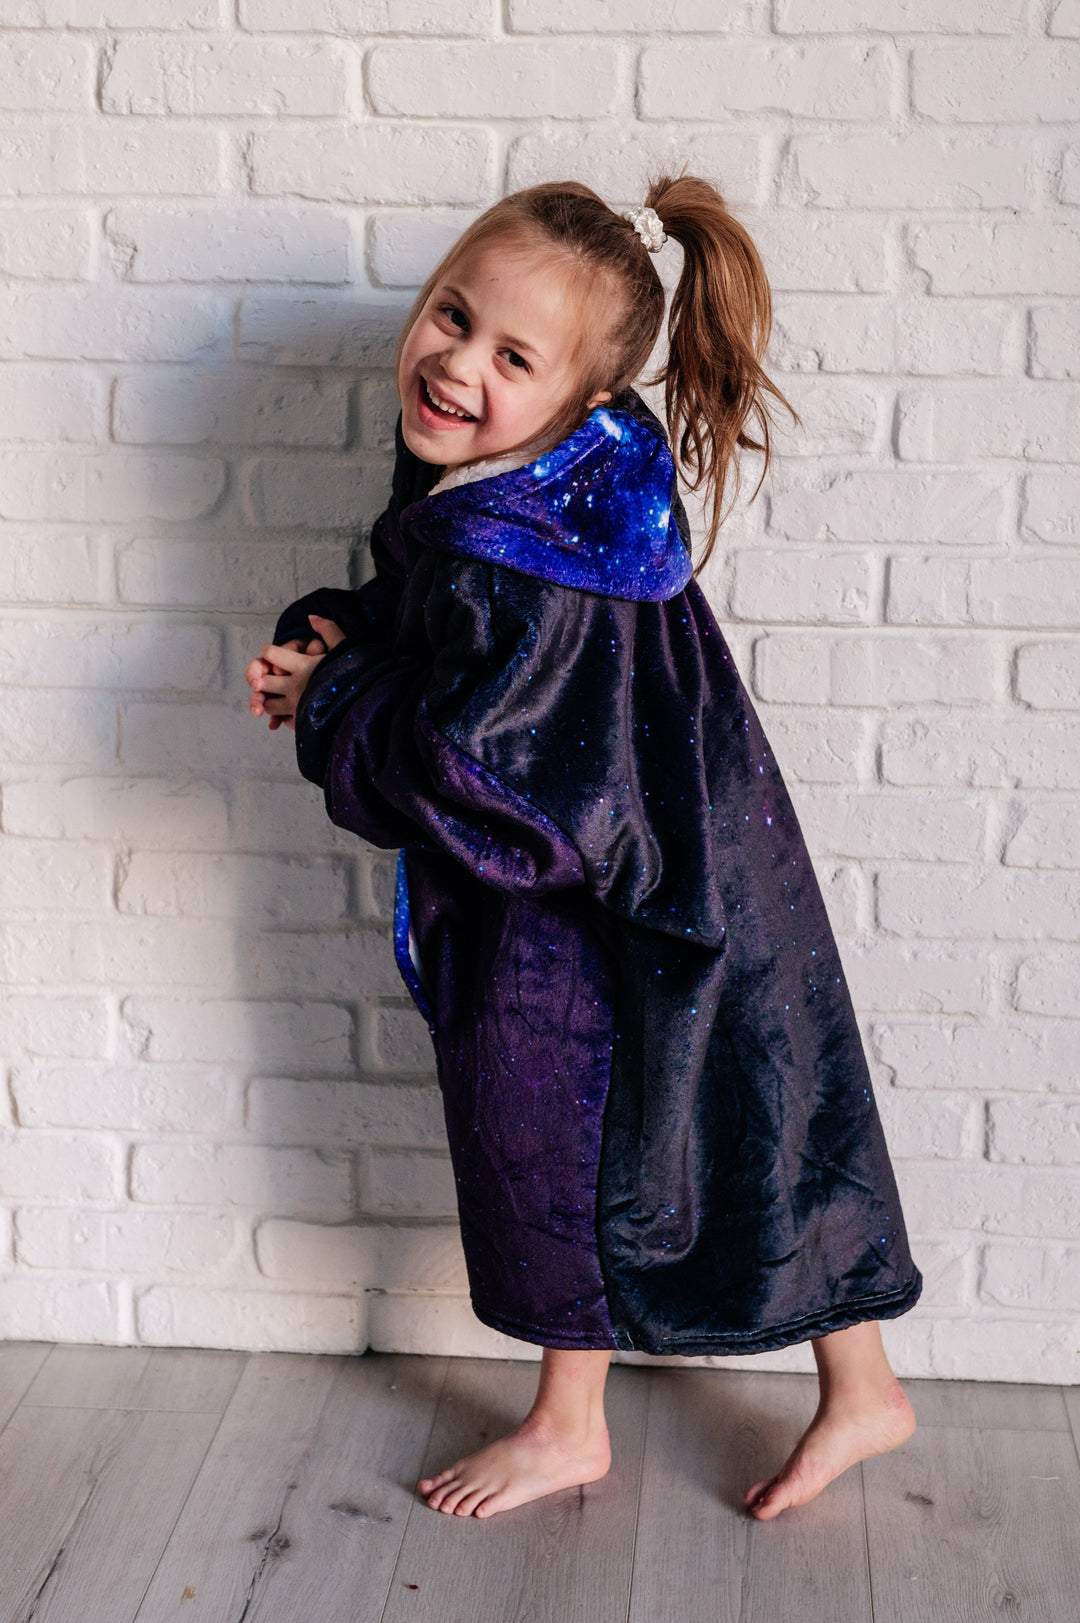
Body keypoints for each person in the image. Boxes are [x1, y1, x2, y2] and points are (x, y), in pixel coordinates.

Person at [245, 176, 922, 1523]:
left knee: (556, 1136)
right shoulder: (555, 478)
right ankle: (865, 1389)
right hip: (693, 847)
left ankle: (570, 1425)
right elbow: (450, 651)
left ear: (578, 393)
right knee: (761, 1087)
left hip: (577, 902)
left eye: (513, 357)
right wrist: (348, 643)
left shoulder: (524, 552)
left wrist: (334, 702)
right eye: (454, 316)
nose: (458, 364)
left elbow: (479, 770)